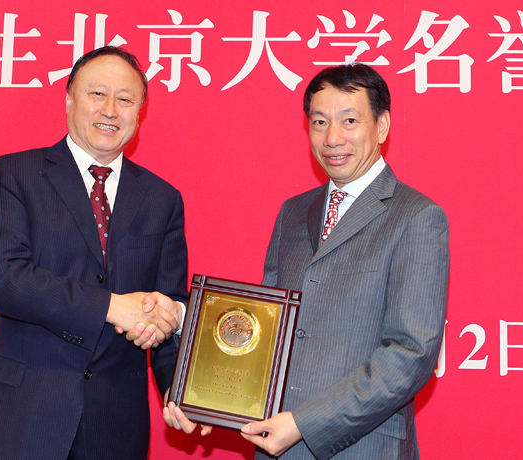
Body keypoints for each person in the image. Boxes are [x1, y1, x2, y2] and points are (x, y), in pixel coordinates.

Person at [164, 64, 450, 460]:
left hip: (362, 448)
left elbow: (410, 353)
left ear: (382, 126)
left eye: (349, 120)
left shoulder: (416, 216)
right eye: (319, 122)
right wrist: (209, 398)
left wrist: (305, 424)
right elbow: (266, 330)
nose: (333, 138)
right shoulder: (294, 212)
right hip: (276, 447)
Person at [0, 46, 188, 460]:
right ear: (69, 99)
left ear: (140, 113)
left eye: (125, 99)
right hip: (22, 414)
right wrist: (111, 306)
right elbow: (0, 277)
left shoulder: (162, 199)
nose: (110, 110)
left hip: (114, 425)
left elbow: (166, 305)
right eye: (97, 94)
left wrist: (182, 387)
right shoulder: (14, 175)